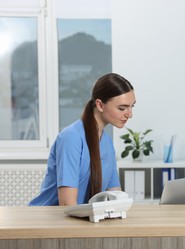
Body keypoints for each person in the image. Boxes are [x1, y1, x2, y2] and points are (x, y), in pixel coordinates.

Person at [29, 73, 135, 206]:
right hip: (50, 220)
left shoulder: (107, 143)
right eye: (122, 108)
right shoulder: (71, 138)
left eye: (132, 107)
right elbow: (67, 204)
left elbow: (115, 196)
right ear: (100, 105)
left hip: (80, 218)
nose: (129, 114)